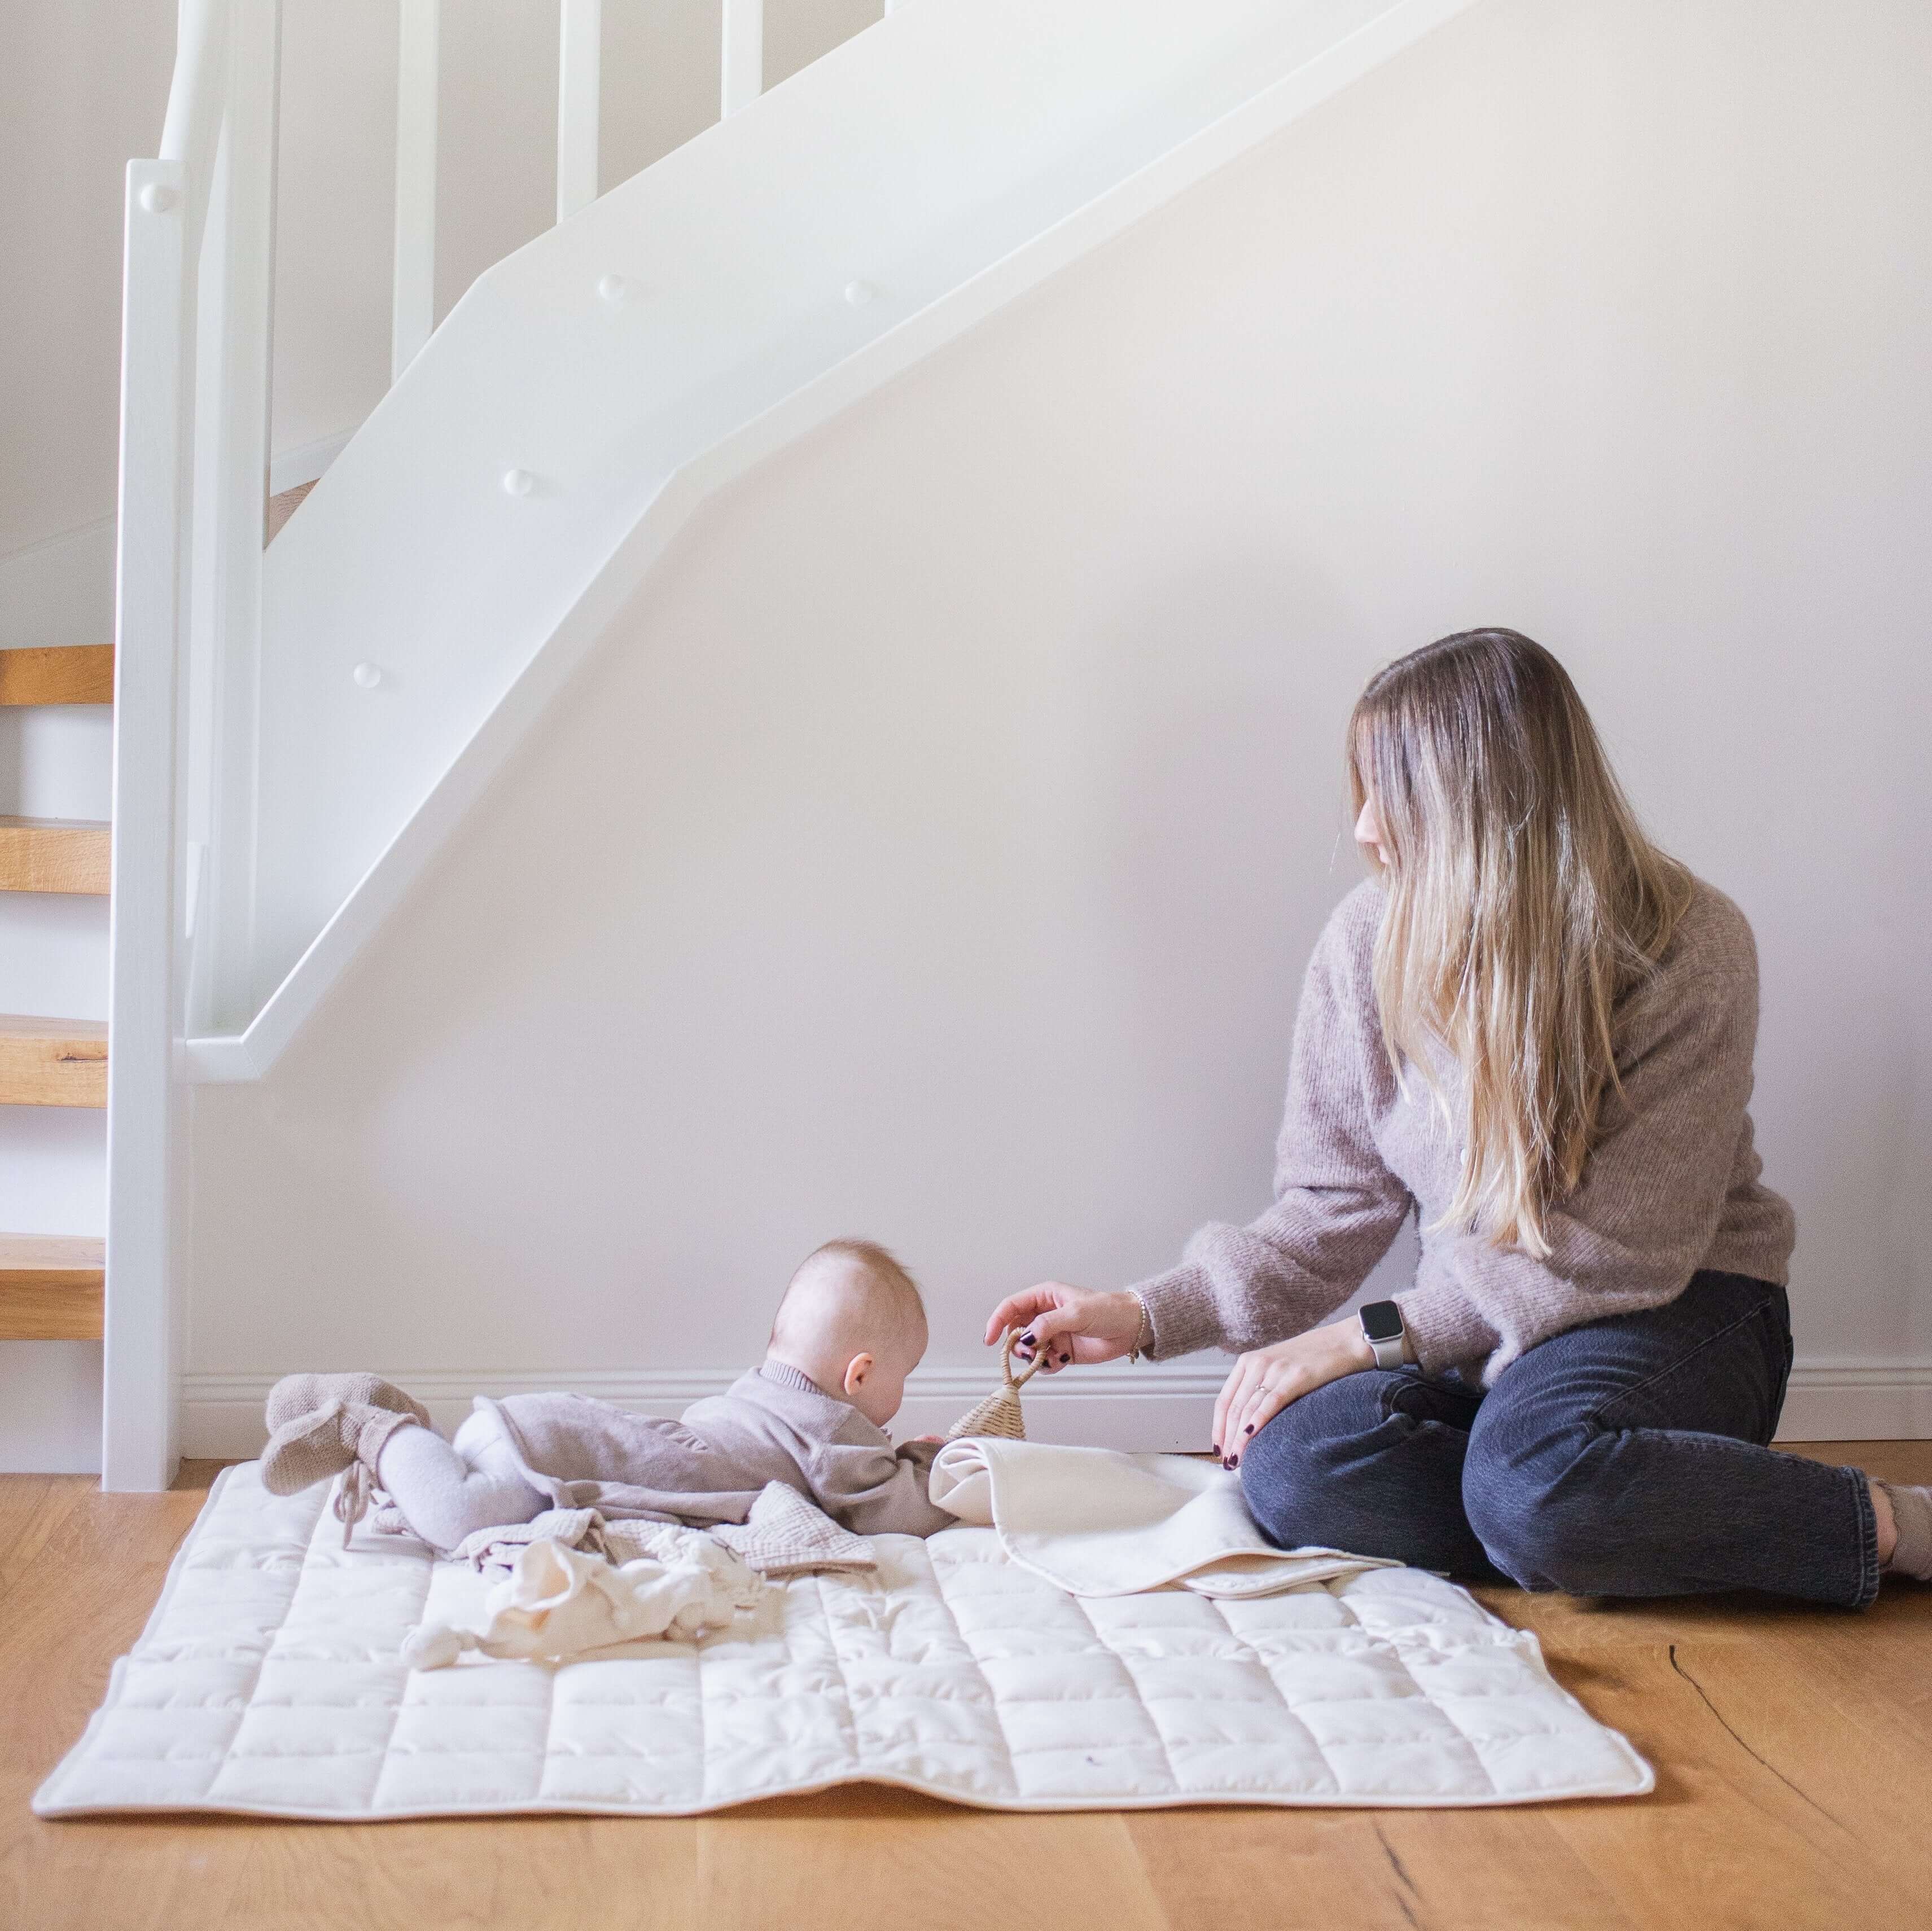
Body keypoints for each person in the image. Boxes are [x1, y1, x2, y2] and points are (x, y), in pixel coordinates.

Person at [986, 629, 1930, 1606]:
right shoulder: (1363, 943)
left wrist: (1359, 1340)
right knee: (1294, 1465)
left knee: (1531, 1477)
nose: (1361, 829)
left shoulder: (1686, 942)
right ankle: (1581, 1512)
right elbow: (1327, 1209)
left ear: (1482, 796)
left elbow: (1619, 1254)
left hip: (1674, 1309)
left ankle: (1886, 1522)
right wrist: (1141, 1313)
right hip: (1479, 1338)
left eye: (1385, 790)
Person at [261, 1238, 954, 1549]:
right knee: (456, 1517)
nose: (903, 1397)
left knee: (455, 1487)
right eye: (906, 1374)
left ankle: (397, 1415)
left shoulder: (760, 1396)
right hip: (547, 1456)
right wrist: (939, 1467)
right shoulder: (831, 1429)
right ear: (858, 1375)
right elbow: (892, 1513)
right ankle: (367, 1427)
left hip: (538, 1431)